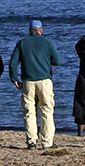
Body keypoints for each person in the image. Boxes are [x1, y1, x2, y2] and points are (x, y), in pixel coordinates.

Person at [9, 19, 61, 149]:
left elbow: (13, 63)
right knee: (47, 111)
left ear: (29, 30)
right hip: (44, 80)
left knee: (29, 111)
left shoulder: (22, 43)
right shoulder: (48, 43)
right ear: (41, 30)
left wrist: (14, 78)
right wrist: (47, 62)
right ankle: (47, 142)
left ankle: (31, 141)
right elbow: (57, 61)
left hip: (28, 81)